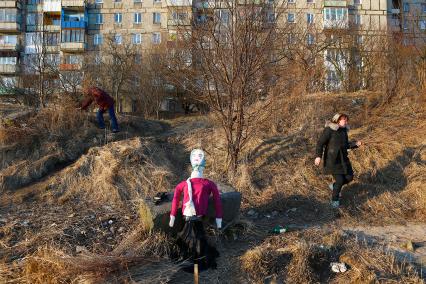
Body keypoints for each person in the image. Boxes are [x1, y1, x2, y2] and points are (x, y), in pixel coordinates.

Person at [169, 149, 223, 270]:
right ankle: (196, 258)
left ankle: (193, 258)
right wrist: (219, 218)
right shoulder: (209, 184)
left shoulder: (182, 184)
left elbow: (175, 199)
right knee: (197, 240)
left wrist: (173, 216)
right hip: (196, 219)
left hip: (189, 218)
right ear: (203, 166)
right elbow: (217, 201)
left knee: (193, 240)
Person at [315, 113, 362, 208]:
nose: (346, 122)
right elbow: (320, 143)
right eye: (344, 120)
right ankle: (334, 201)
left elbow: (345, 145)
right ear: (337, 120)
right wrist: (318, 156)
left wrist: (355, 144)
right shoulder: (329, 130)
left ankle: (334, 186)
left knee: (349, 177)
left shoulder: (343, 131)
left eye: (346, 120)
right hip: (332, 159)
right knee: (340, 180)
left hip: (343, 158)